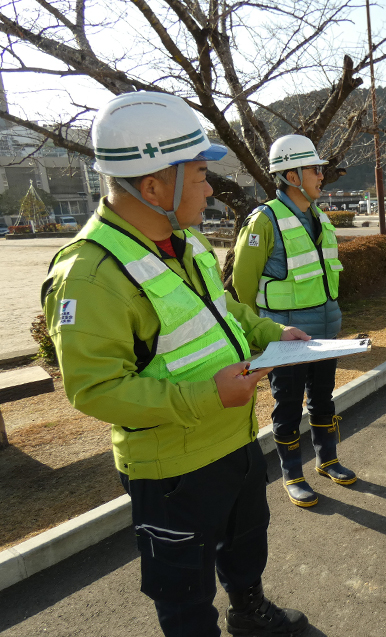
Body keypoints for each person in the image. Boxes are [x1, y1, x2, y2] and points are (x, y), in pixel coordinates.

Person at [42, 91, 310, 637]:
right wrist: (207, 396)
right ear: (154, 186)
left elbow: (225, 310)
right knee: (183, 587)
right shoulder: (90, 274)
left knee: (245, 542)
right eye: (200, 173)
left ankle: (249, 610)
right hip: (171, 469)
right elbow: (95, 389)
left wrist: (271, 332)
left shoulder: (181, 240)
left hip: (233, 439)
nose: (211, 186)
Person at [233, 134, 355, 508]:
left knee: (322, 398)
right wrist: (262, 334)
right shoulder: (264, 221)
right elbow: (243, 283)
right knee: (287, 406)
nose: (322, 175)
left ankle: (327, 459)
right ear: (290, 175)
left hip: (323, 334)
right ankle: (292, 474)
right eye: (314, 169)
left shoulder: (319, 216)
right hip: (286, 337)